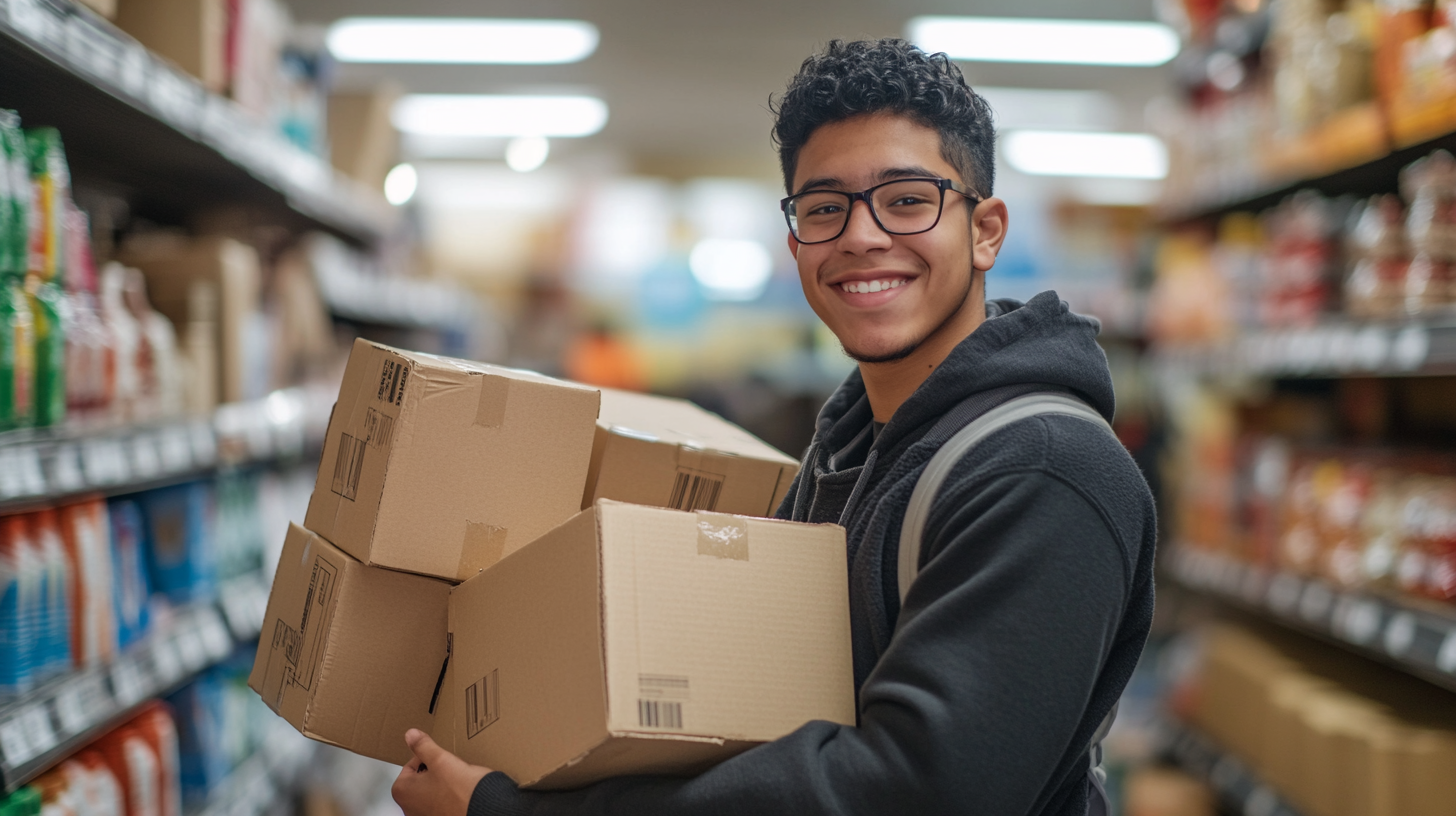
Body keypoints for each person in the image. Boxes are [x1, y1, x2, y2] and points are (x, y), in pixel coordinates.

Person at [391, 38, 1156, 816]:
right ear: (796, 245)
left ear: (985, 229)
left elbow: (911, 790)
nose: (861, 235)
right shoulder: (851, 450)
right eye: (825, 209)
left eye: (906, 199)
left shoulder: (1042, 471)